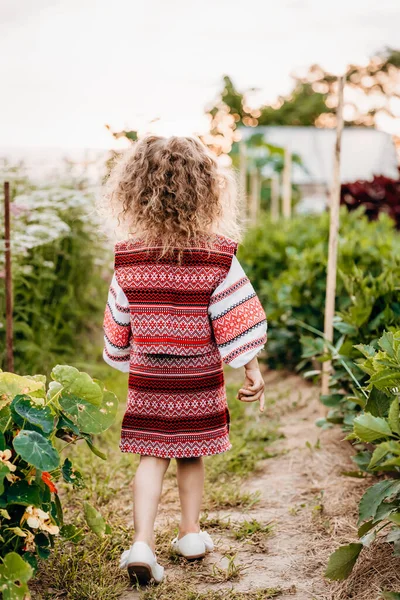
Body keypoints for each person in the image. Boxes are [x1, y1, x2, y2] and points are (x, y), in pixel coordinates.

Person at [102, 135, 267, 585]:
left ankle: (141, 543)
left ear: (136, 190)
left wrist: (120, 352)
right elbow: (237, 313)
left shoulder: (129, 257)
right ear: (207, 188)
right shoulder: (218, 255)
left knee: (151, 456)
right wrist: (251, 368)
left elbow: (120, 317)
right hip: (198, 374)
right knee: (192, 453)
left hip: (150, 374)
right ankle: (190, 533)